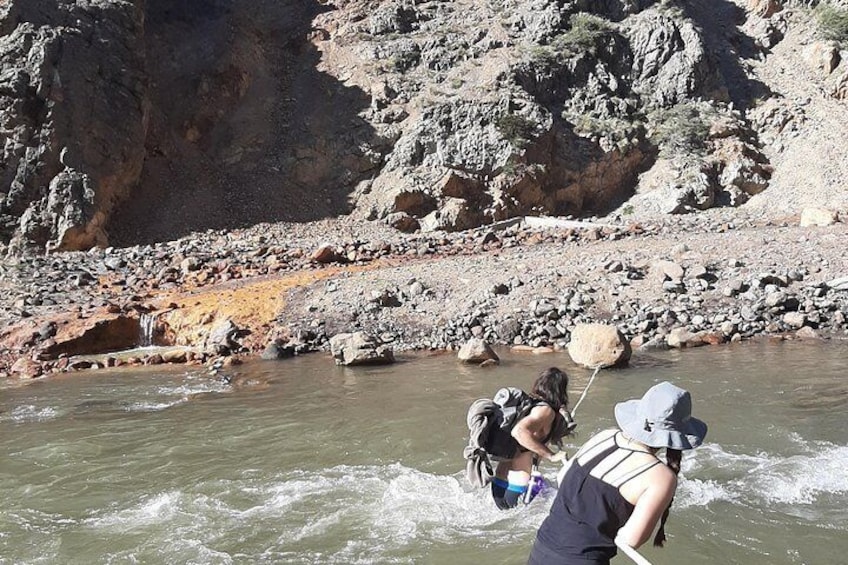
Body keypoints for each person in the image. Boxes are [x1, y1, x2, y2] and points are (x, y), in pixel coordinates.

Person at [528, 381, 708, 564]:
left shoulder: (605, 436)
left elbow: (563, 476)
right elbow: (630, 539)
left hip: (541, 549)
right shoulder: (661, 477)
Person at [490, 367, 573, 510]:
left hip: (499, 483)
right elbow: (519, 432)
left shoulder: (529, 406)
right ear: (561, 390)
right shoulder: (545, 411)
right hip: (518, 487)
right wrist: (551, 456)